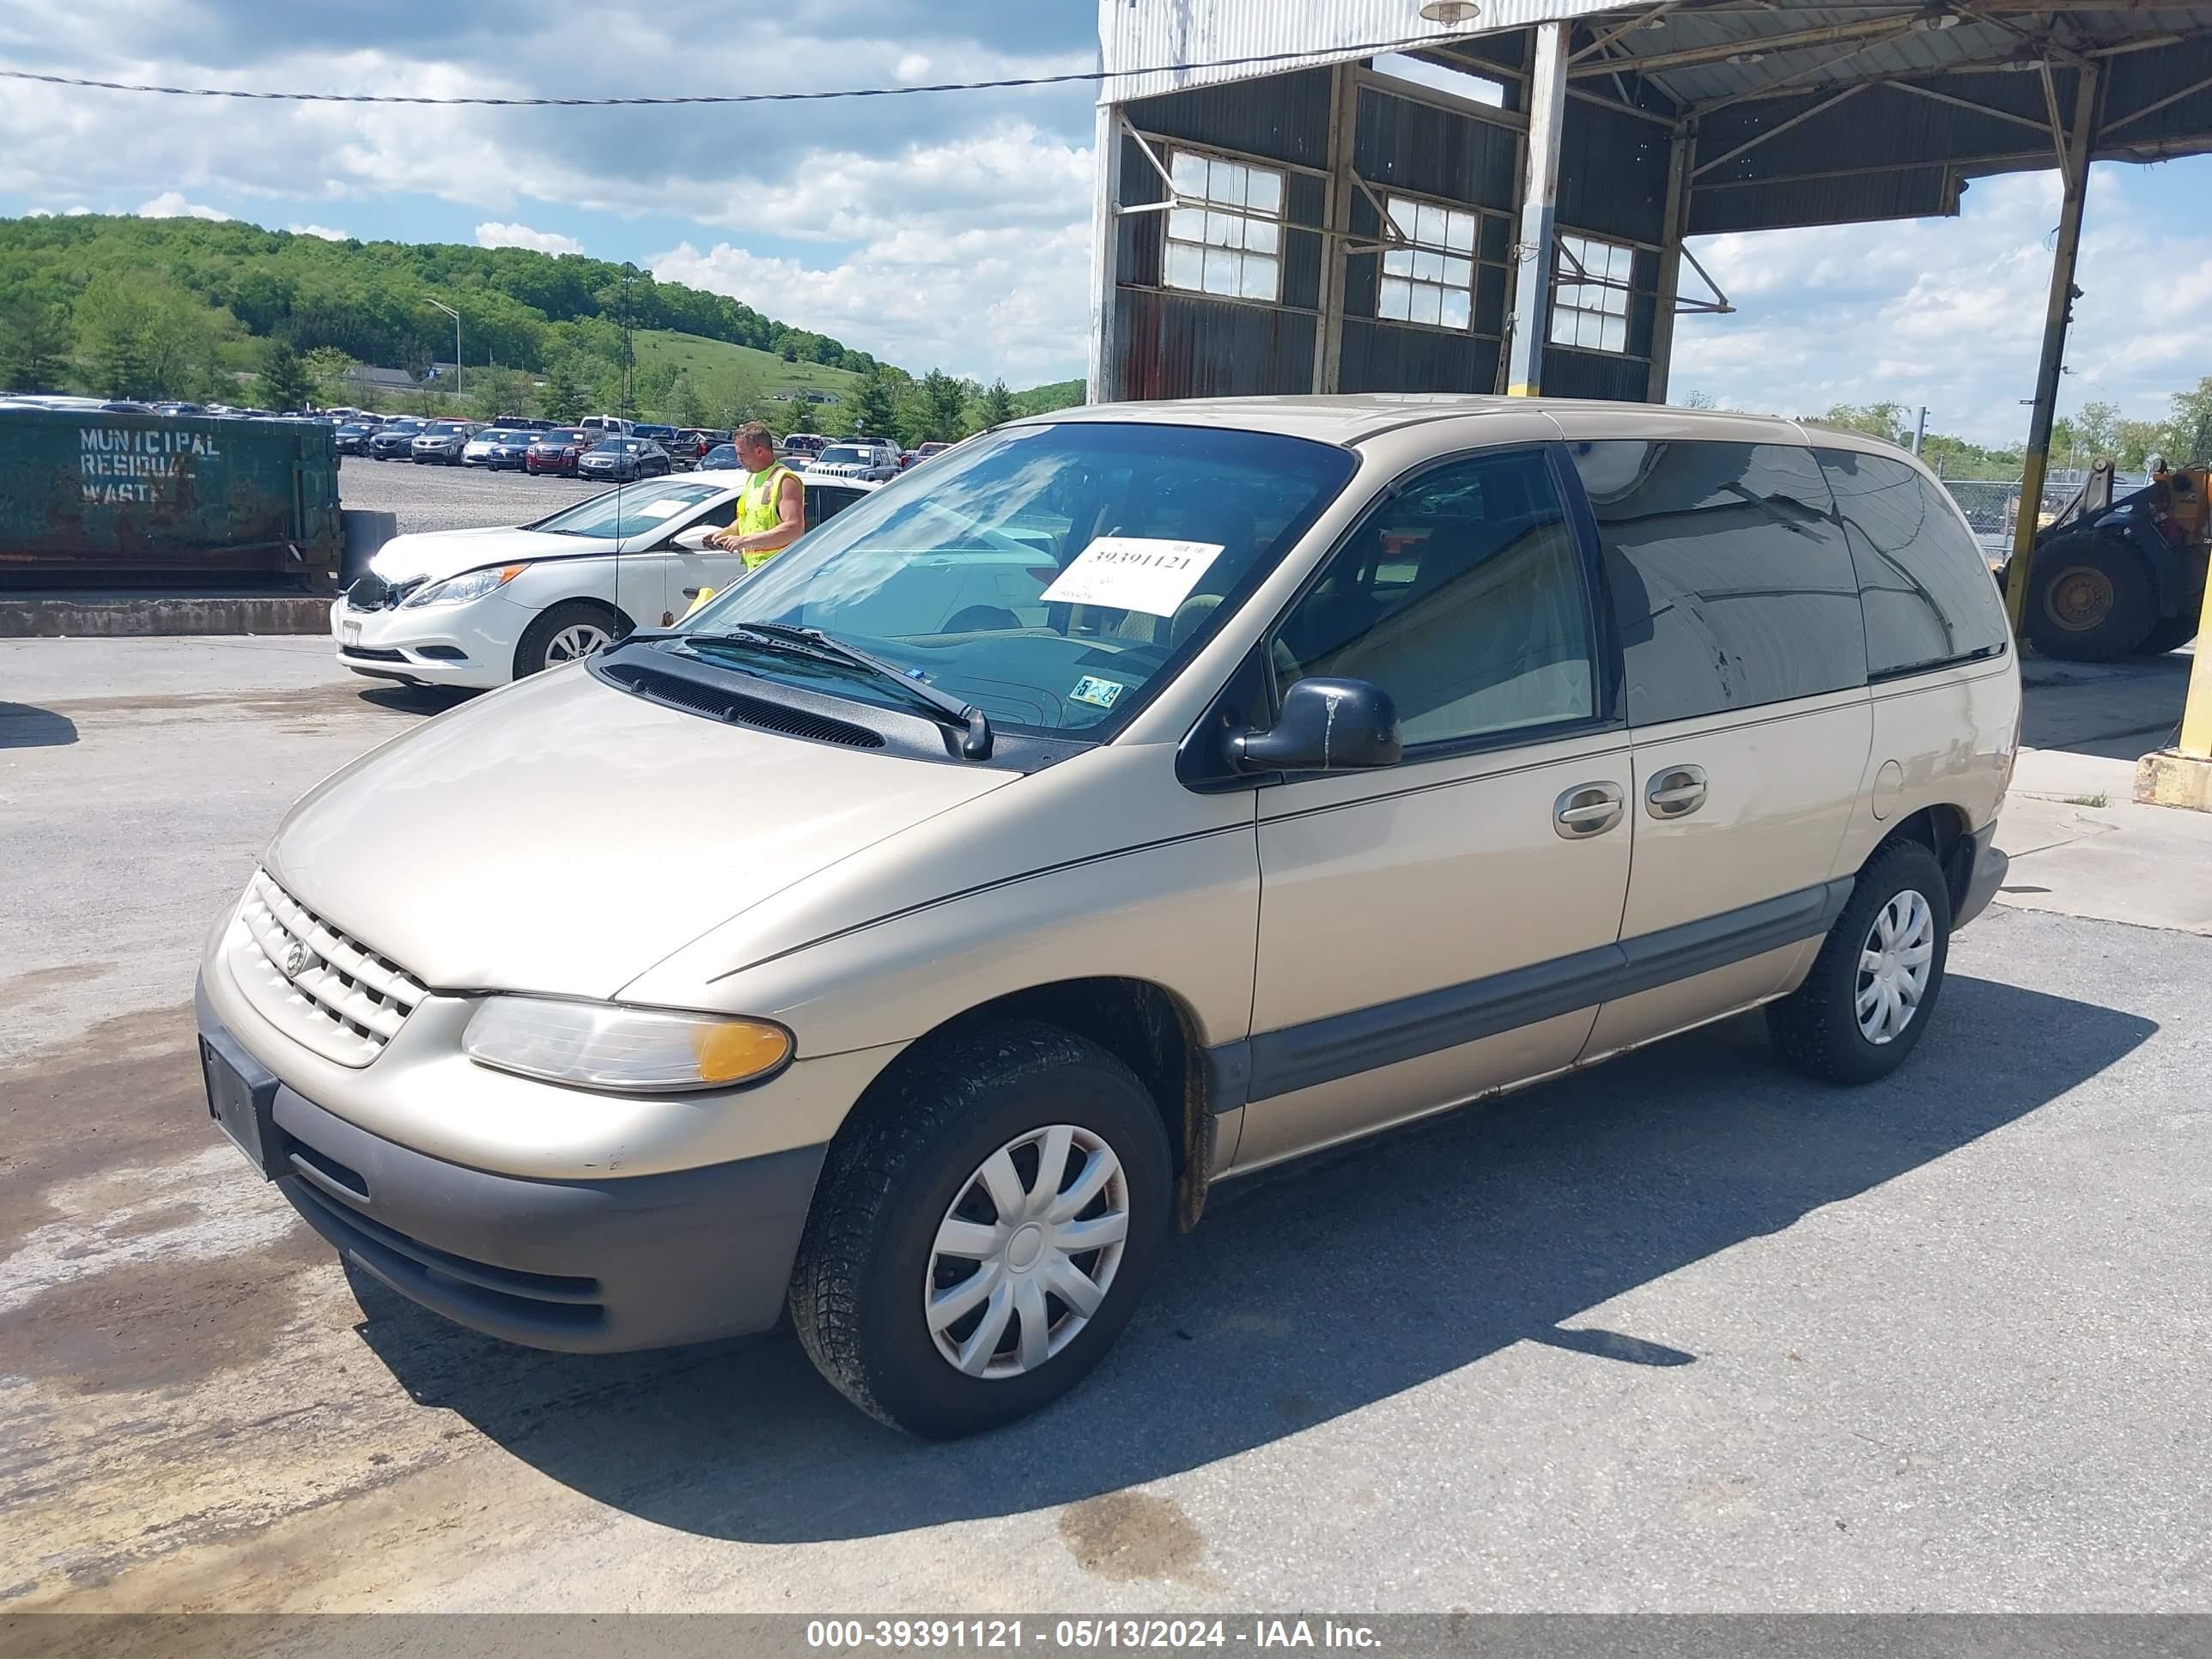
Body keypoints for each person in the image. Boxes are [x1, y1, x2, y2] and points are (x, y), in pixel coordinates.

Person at [708, 422, 804, 570]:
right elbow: (748, 519)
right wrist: (727, 532)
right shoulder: (754, 477)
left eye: (742, 454)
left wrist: (744, 540)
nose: (738, 459)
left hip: (779, 570)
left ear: (759, 451)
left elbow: (794, 529)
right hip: (756, 571)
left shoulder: (785, 480)